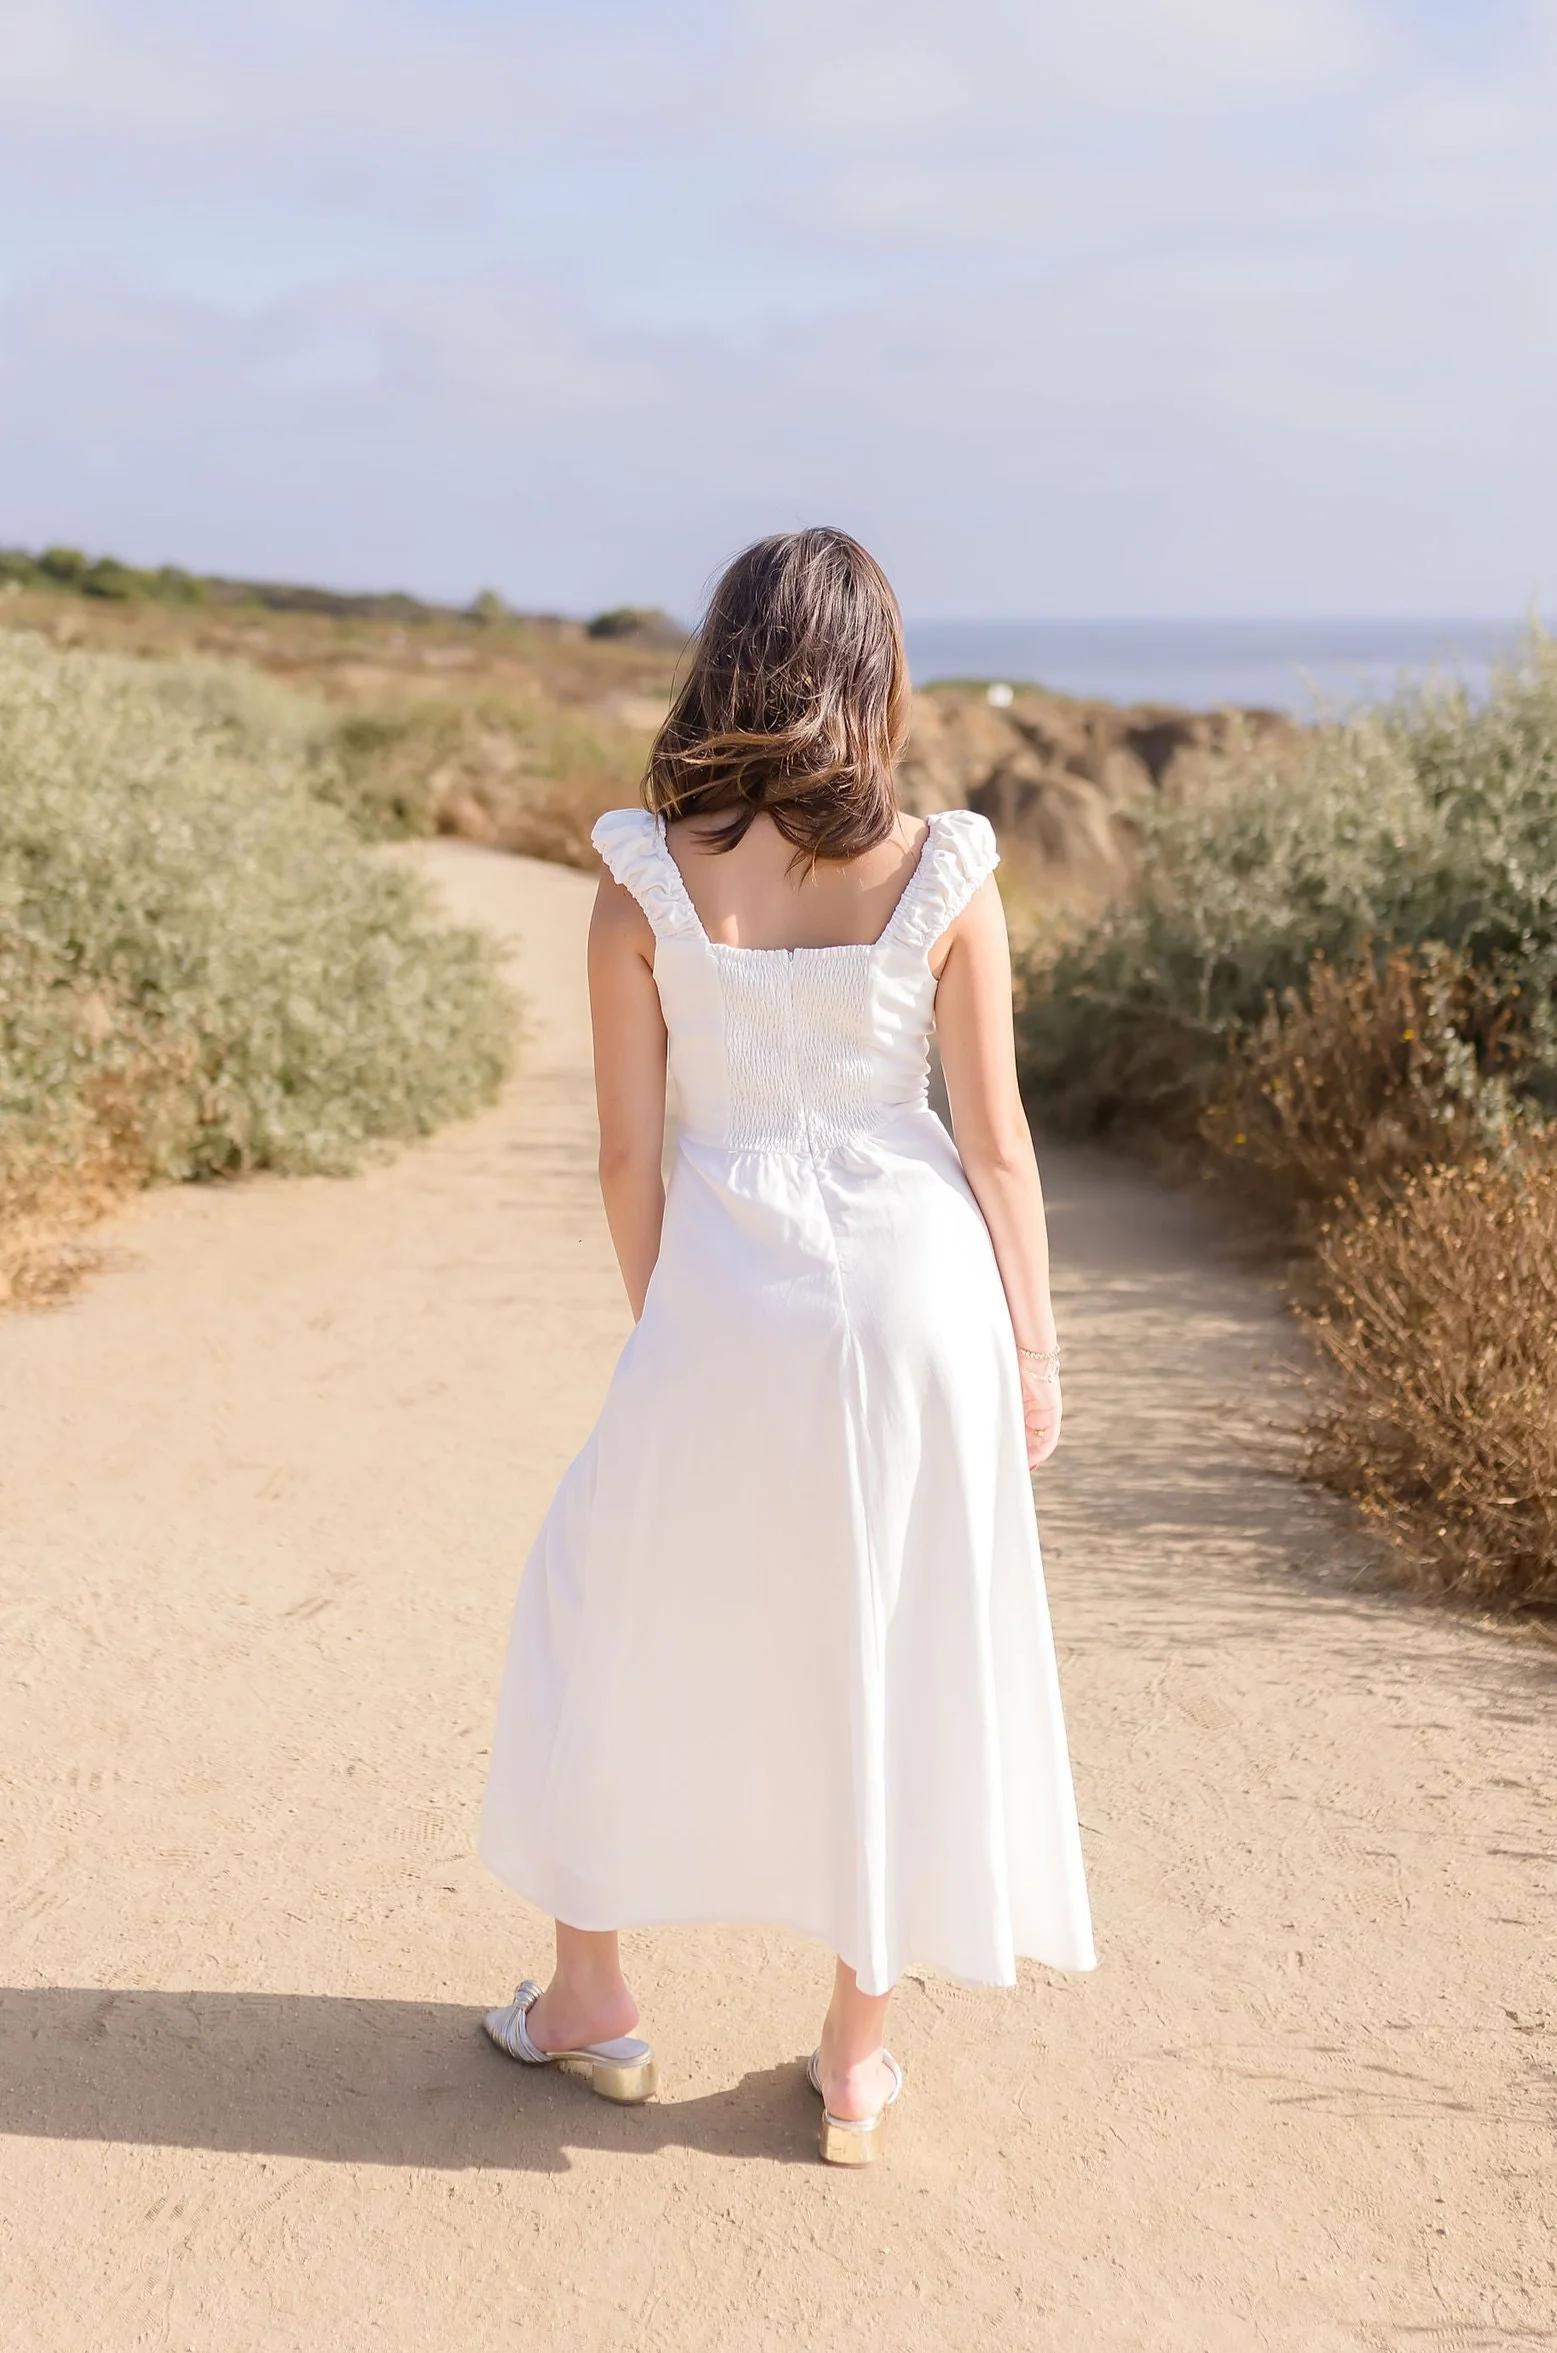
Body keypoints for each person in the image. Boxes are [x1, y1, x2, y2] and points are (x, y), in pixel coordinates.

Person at [479, 527, 1094, 2164]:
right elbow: (998, 1144)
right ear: (871, 674)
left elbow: (624, 1158)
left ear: (729, 661)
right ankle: (855, 2056)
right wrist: (1032, 1354)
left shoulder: (645, 881)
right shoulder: (945, 874)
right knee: (891, 1629)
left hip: (725, 1288)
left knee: (601, 1602)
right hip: (922, 1297)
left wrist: (677, 1327)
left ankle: (593, 1998)